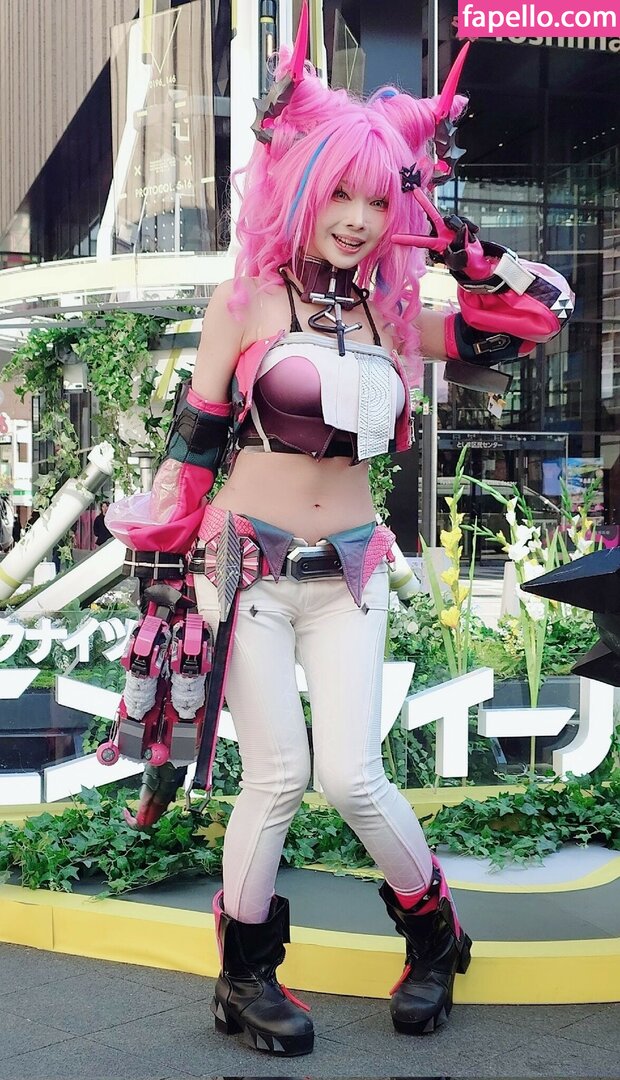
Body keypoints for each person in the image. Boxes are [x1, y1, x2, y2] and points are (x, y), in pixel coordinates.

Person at [105, 8, 573, 1059]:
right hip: (243, 567)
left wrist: (466, 248)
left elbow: (544, 316)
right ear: (300, 188)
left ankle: (437, 936)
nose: (358, 220)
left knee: (352, 777)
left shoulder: (391, 317)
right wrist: (163, 582)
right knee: (274, 777)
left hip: (350, 570)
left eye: (377, 198)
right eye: (339, 195)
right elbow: (193, 445)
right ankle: (243, 979)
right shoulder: (245, 302)